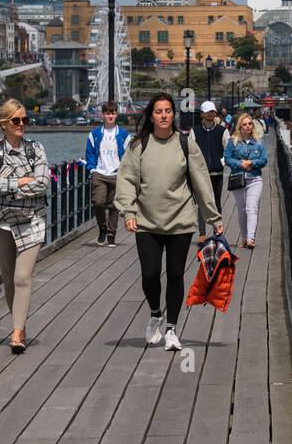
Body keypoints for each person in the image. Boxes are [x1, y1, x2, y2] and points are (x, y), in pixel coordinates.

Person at [114, 94, 223, 351]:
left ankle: (172, 329)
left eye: (168, 111)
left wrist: (213, 217)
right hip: (146, 221)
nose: (163, 115)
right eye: (159, 111)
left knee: (175, 274)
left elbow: (201, 182)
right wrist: (128, 213)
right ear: (151, 116)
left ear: (174, 115)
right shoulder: (138, 145)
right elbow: (127, 180)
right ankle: (155, 313)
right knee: (150, 274)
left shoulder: (185, 144)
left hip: (180, 221)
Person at [0, 98, 48, 353]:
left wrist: (8, 183)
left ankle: (17, 333)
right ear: (4, 123)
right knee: (8, 279)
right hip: (1, 222)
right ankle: (18, 323)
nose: (21, 124)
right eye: (16, 120)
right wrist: (22, 182)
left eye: (24, 120)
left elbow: (42, 184)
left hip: (33, 220)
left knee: (22, 277)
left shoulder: (36, 149)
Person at [84, 101, 132, 246]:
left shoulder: (123, 134)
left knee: (113, 206)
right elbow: (90, 153)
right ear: (103, 115)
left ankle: (111, 234)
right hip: (99, 173)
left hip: (117, 174)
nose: (110, 116)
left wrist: (125, 172)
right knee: (98, 202)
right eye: (107, 113)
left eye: (113, 113)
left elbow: (129, 155)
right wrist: (92, 169)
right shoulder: (95, 134)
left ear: (116, 114)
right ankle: (102, 227)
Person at [224, 113, 268, 248]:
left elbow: (264, 160)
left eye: (250, 124)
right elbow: (227, 158)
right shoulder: (233, 141)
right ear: (240, 127)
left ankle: (250, 239)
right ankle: (244, 237)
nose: (248, 126)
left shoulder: (259, 142)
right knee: (242, 210)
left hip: (254, 179)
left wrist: (251, 162)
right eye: (245, 124)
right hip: (238, 179)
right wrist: (240, 164)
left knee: (252, 208)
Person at [191, 100, 230, 225]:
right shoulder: (195, 131)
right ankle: (202, 233)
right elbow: (191, 151)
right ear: (202, 114)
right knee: (202, 203)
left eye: (212, 111)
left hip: (217, 172)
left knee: (217, 202)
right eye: (207, 112)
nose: (210, 114)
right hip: (201, 173)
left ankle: (217, 230)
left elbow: (228, 150)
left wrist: (222, 163)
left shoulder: (222, 130)